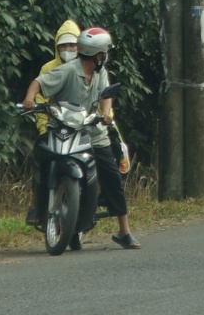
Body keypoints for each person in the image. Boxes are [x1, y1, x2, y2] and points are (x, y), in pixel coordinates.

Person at [26, 24, 136, 247]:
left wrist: (105, 114)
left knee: (112, 176)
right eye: (104, 53)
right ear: (96, 55)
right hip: (65, 130)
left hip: (92, 131)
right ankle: (40, 206)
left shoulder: (101, 72)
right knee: (42, 155)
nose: (105, 56)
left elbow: (106, 94)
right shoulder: (68, 70)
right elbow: (39, 82)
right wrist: (29, 99)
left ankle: (124, 230)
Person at [22, 20, 81, 226]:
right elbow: (40, 98)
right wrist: (43, 126)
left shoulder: (87, 67)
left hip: (83, 126)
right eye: (63, 46)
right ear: (56, 47)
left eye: (72, 45)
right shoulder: (49, 68)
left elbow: (99, 101)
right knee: (41, 158)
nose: (68, 50)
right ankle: (39, 207)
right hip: (55, 127)